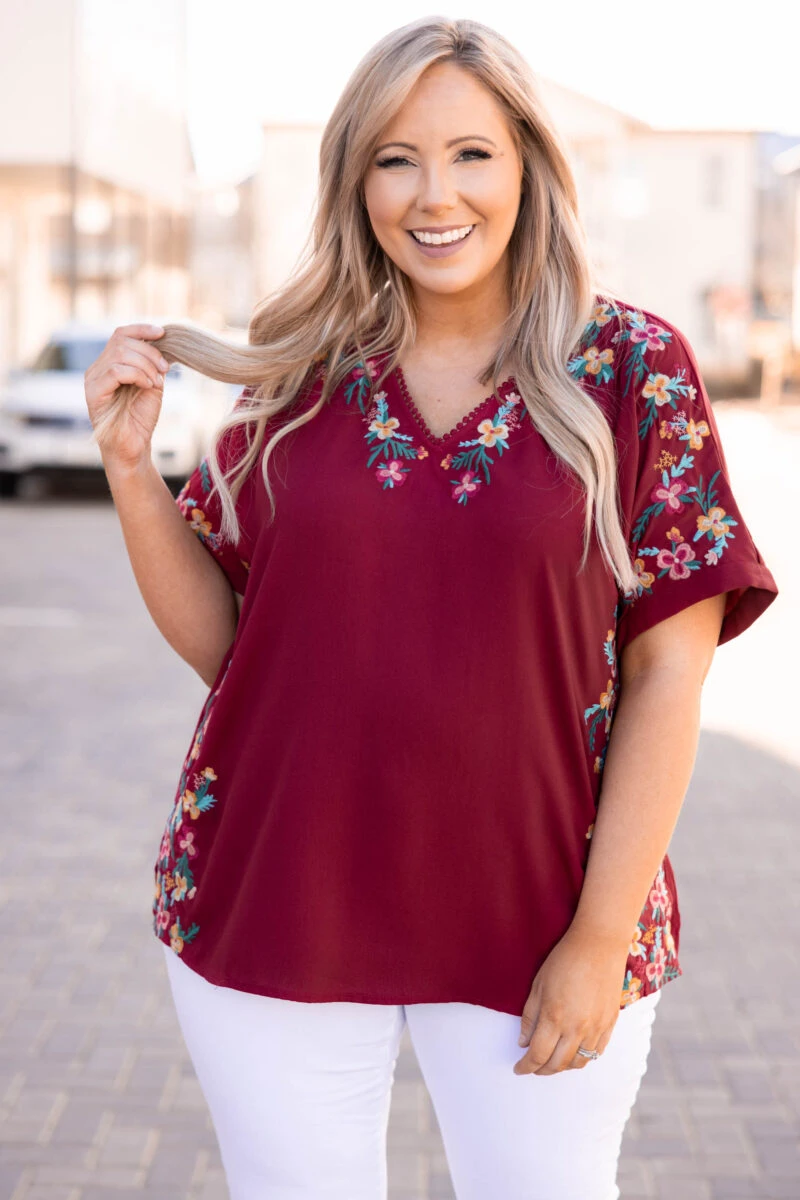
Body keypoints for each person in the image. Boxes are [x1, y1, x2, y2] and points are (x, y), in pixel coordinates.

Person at [84, 17, 779, 1200]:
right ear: (354, 183)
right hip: (277, 891)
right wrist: (128, 470)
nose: (432, 194)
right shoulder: (296, 373)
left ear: (526, 166)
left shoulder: (631, 369)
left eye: (469, 154)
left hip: (541, 911)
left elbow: (669, 672)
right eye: (394, 159)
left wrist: (598, 936)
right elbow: (232, 649)